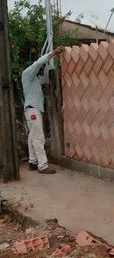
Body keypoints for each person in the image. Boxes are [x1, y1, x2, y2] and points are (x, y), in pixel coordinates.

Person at [22, 46, 65, 174]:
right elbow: (40, 62)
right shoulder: (28, 73)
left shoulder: (33, 79)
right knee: (38, 138)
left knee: (32, 137)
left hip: (33, 110)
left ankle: (33, 162)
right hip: (33, 110)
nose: (40, 69)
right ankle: (43, 166)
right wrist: (53, 53)